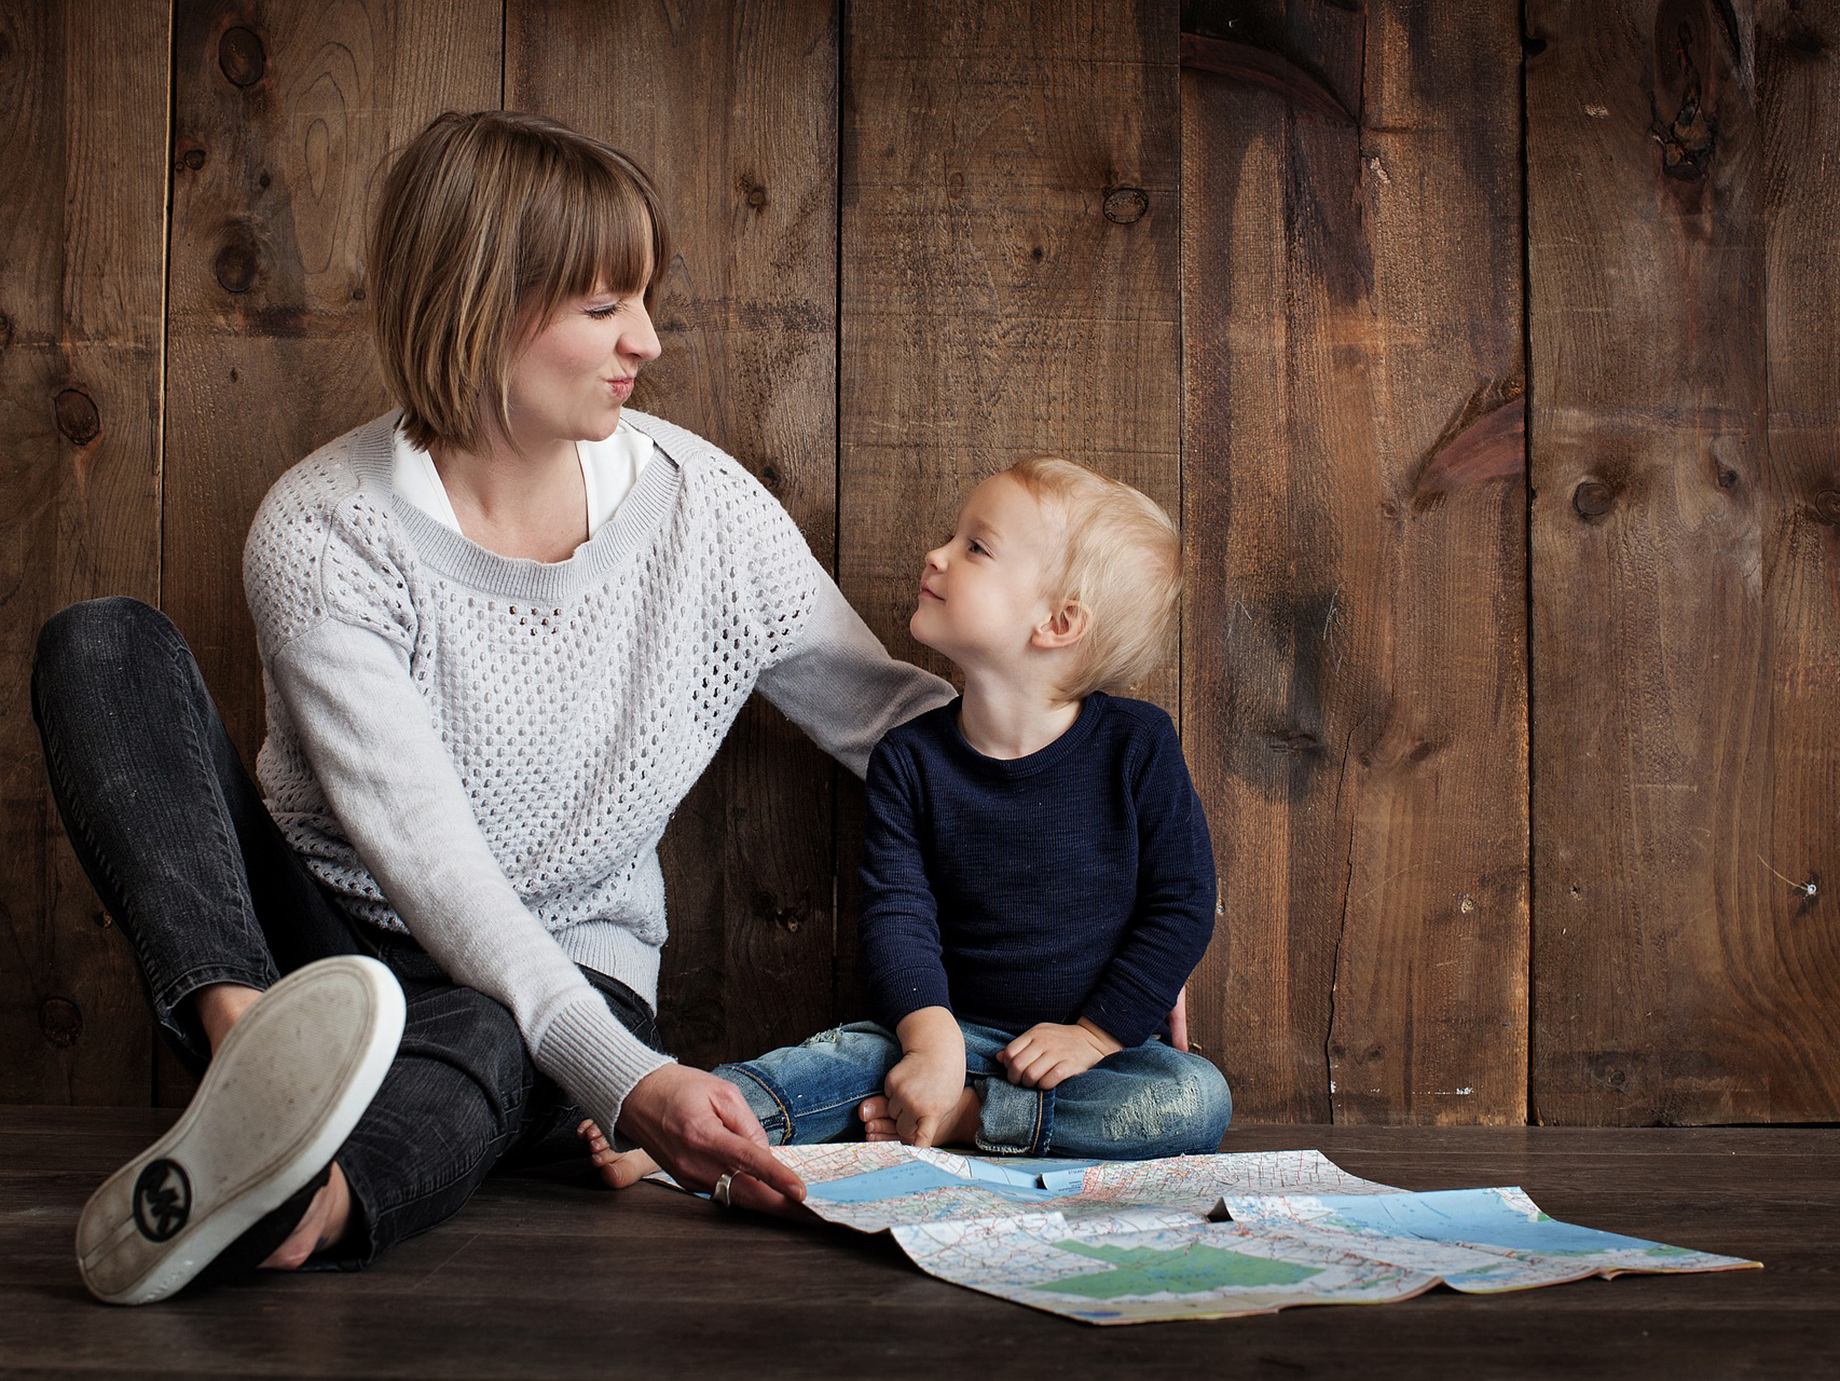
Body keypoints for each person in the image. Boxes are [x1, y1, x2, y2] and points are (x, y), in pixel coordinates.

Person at [30, 109, 953, 1305]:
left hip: (562, 973)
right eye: (604, 306)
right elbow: (432, 862)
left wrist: (1108, 860)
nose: (649, 341)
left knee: (486, 1029)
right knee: (102, 643)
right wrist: (630, 1087)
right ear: (483, 302)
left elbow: (894, 725)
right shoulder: (325, 530)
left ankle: (304, 1200)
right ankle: (254, 1060)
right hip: (317, 948)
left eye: (642, 299)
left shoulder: (704, 513)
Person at [588, 457, 1228, 1185]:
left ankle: (972, 1120)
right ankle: (679, 1133)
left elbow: (1180, 903)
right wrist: (931, 1044)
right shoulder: (911, 759)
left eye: (975, 547)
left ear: (1058, 622)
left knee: (1194, 1099)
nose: (938, 554)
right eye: (953, 537)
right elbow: (898, 913)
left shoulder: (1137, 746)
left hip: (1091, 1057)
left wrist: (1095, 1033)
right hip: (948, 1027)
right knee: (833, 1062)